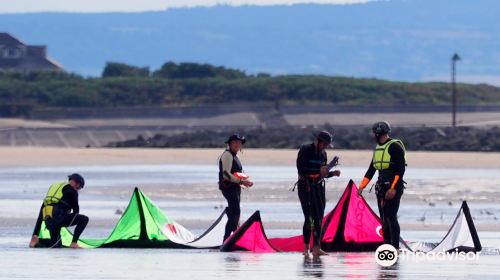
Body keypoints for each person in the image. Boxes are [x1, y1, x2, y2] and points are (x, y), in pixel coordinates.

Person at [357, 121, 406, 249]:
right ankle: (387, 244)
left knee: (391, 216)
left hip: (393, 187)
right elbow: (371, 170)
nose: (373, 136)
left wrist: (393, 188)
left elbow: (400, 170)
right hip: (381, 188)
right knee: (383, 218)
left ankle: (395, 247)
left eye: (374, 133)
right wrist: (362, 187)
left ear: (378, 133)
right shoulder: (378, 149)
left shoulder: (395, 147)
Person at [296, 131, 341, 257]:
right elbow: (301, 169)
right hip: (305, 188)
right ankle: (306, 248)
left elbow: (322, 175)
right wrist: (319, 170)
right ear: (318, 141)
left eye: (327, 144)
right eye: (324, 143)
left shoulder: (323, 154)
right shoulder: (305, 150)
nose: (325, 146)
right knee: (309, 218)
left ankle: (316, 248)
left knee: (319, 219)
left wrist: (332, 173)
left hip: (318, 188)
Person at [29, 173, 89, 248]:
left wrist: (35, 234)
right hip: (59, 218)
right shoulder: (72, 191)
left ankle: (38, 241)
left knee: (56, 244)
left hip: (49, 221)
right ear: (77, 184)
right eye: (79, 188)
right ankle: (74, 243)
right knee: (84, 219)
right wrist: (67, 222)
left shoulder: (53, 192)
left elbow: (40, 217)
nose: (78, 190)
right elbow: (76, 211)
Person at [219, 134, 254, 242]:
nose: (237, 144)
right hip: (228, 187)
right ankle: (231, 238)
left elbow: (238, 172)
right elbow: (226, 174)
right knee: (236, 212)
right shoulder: (227, 155)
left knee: (234, 213)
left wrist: (245, 181)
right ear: (229, 144)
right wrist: (242, 181)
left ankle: (229, 239)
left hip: (235, 187)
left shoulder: (235, 156)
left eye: (239, 143)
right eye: (234, 142)